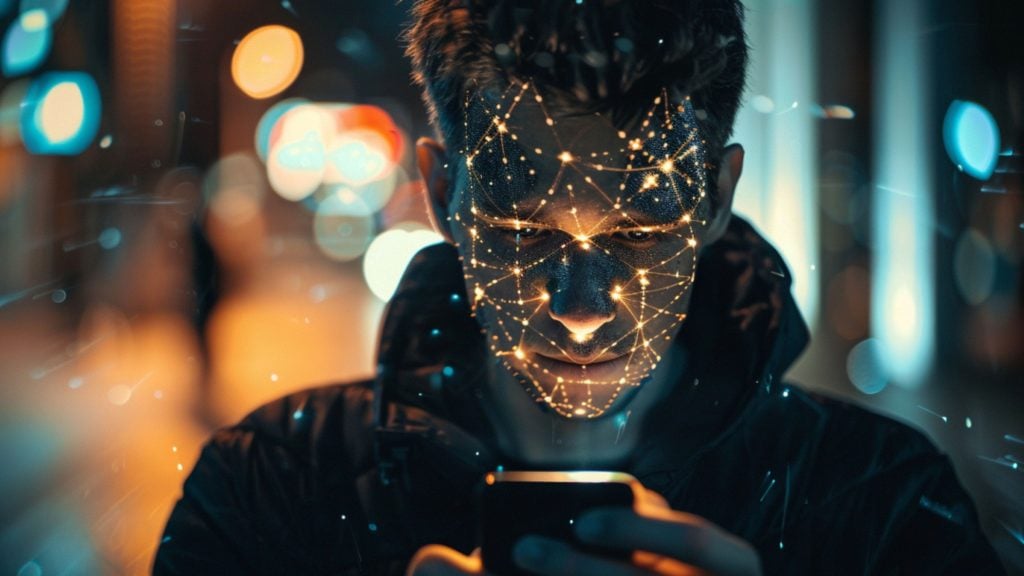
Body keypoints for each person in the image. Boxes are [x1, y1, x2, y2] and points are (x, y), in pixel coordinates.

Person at [154, 1, 1007, 574]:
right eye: (527, 234)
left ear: (715, 198)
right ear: (444, 193)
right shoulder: (267, 489)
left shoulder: (884, 503)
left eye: (637, 233)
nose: (583, 307)